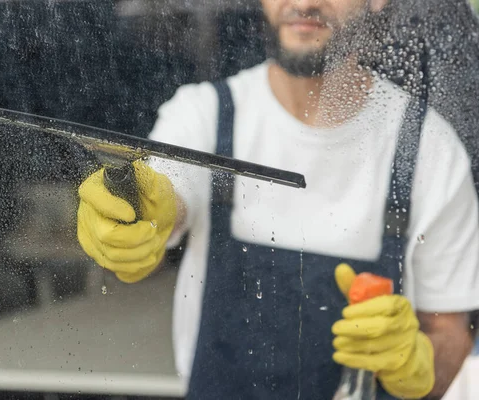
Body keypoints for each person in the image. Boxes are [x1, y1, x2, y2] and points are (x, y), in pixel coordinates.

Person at [76, 0, 479, 398]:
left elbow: (449, 330)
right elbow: (169, 195)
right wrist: (140, 213)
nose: (304, 2)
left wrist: (417, 367)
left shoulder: (430, 149)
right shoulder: (203, 115)